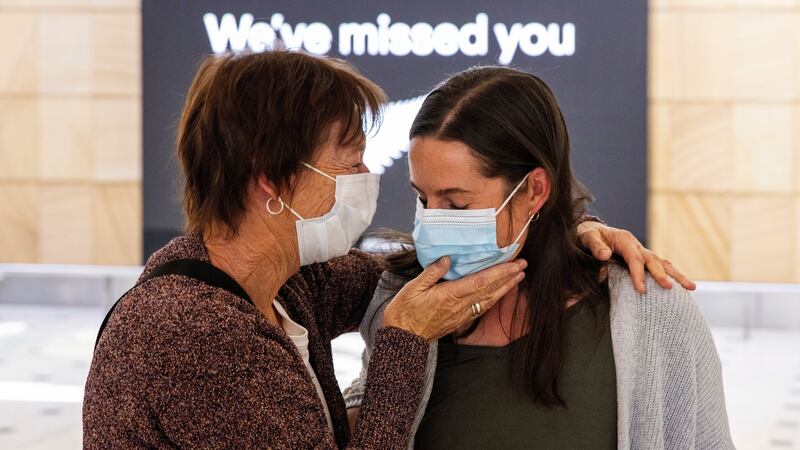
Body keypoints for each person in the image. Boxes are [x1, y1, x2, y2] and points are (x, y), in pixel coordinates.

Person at [83, 51, 692, 448]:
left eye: (457, 202)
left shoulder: (281, 287)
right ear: (271, 180)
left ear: (533, 190)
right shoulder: (197, 334)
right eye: (346, 163)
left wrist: (571, 233)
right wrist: (403, 344)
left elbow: (401, 269)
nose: (362, 180)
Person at [344, 66, 733, 449]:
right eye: (423, 199)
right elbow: (369, 420)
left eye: (458, 205)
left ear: (534, 190)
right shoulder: (401, 300)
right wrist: (398, 353)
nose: (432, 222)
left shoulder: (650, 311)